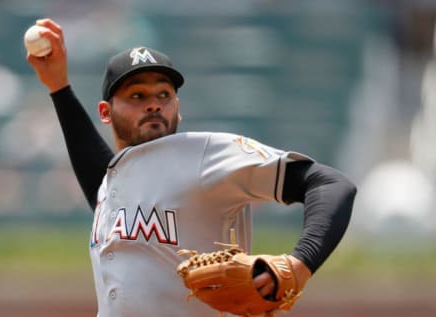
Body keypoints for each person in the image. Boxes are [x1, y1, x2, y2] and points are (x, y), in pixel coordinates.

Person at [27, 18, 357, 317]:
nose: (154, 103)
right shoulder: (115, 183)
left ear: (178, 108)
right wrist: (59, 87)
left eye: (164, 94)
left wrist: (299, 264)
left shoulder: (204, 154)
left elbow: (329, 184)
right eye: (137, 95)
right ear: (105, 112)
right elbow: (103, 185)